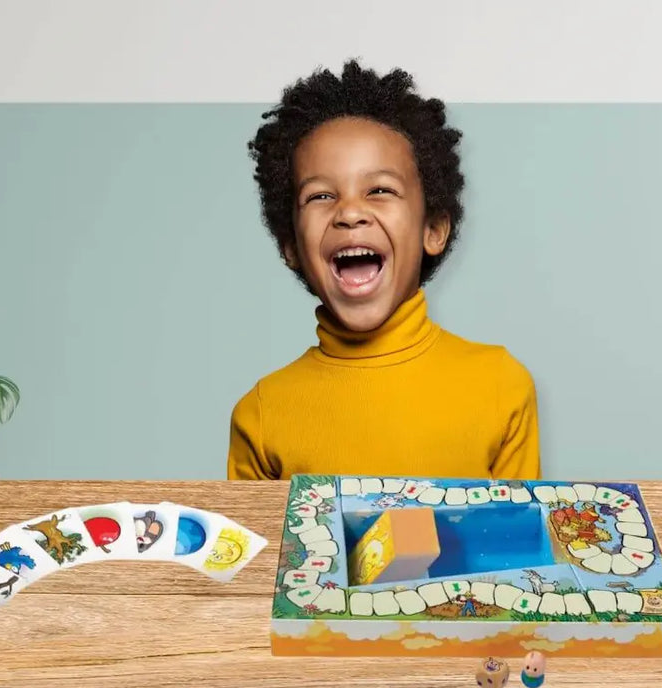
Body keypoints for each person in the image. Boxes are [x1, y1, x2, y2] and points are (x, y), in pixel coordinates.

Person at [227, 60, 541, 481]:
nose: (350, 212)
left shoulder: (502, 386)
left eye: (379, 190)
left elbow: (519, 543)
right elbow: (252, 547)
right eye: (320, 195)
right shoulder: (261, 414)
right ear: (292, 248)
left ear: (433, 229)